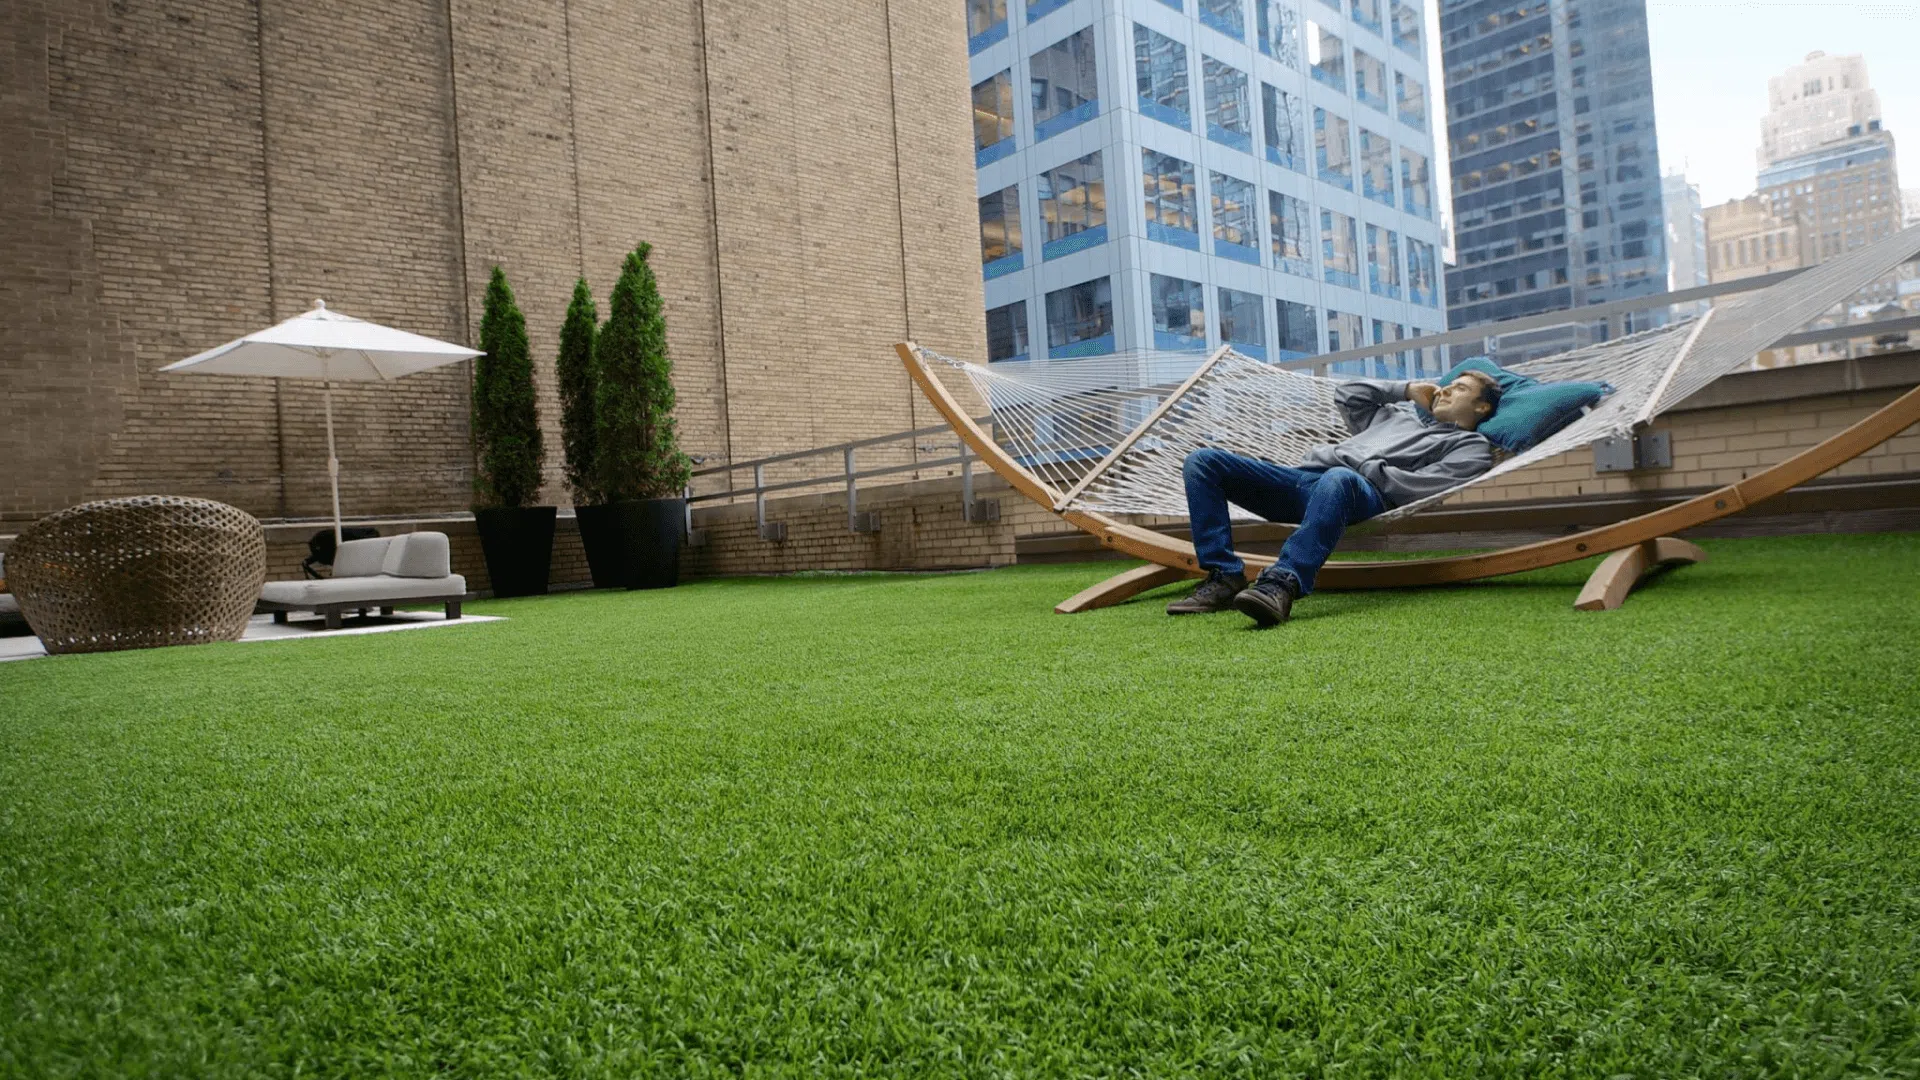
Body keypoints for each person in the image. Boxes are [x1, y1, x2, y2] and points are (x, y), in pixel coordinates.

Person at [1167, 370, 1504, 626]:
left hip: (1362, 493)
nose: (1446, 389)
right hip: (1301, 480)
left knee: (1339, 478)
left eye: (1461, 388)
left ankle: (1281, 583)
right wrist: (1405, 390)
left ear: (1481, 405)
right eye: (1449, 383)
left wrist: (1364, 467)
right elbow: (1348, 394)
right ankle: (1225, 576)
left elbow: (1425, 486)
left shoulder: (1470, 447)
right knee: (1203, 462)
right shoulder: (1394, 416)